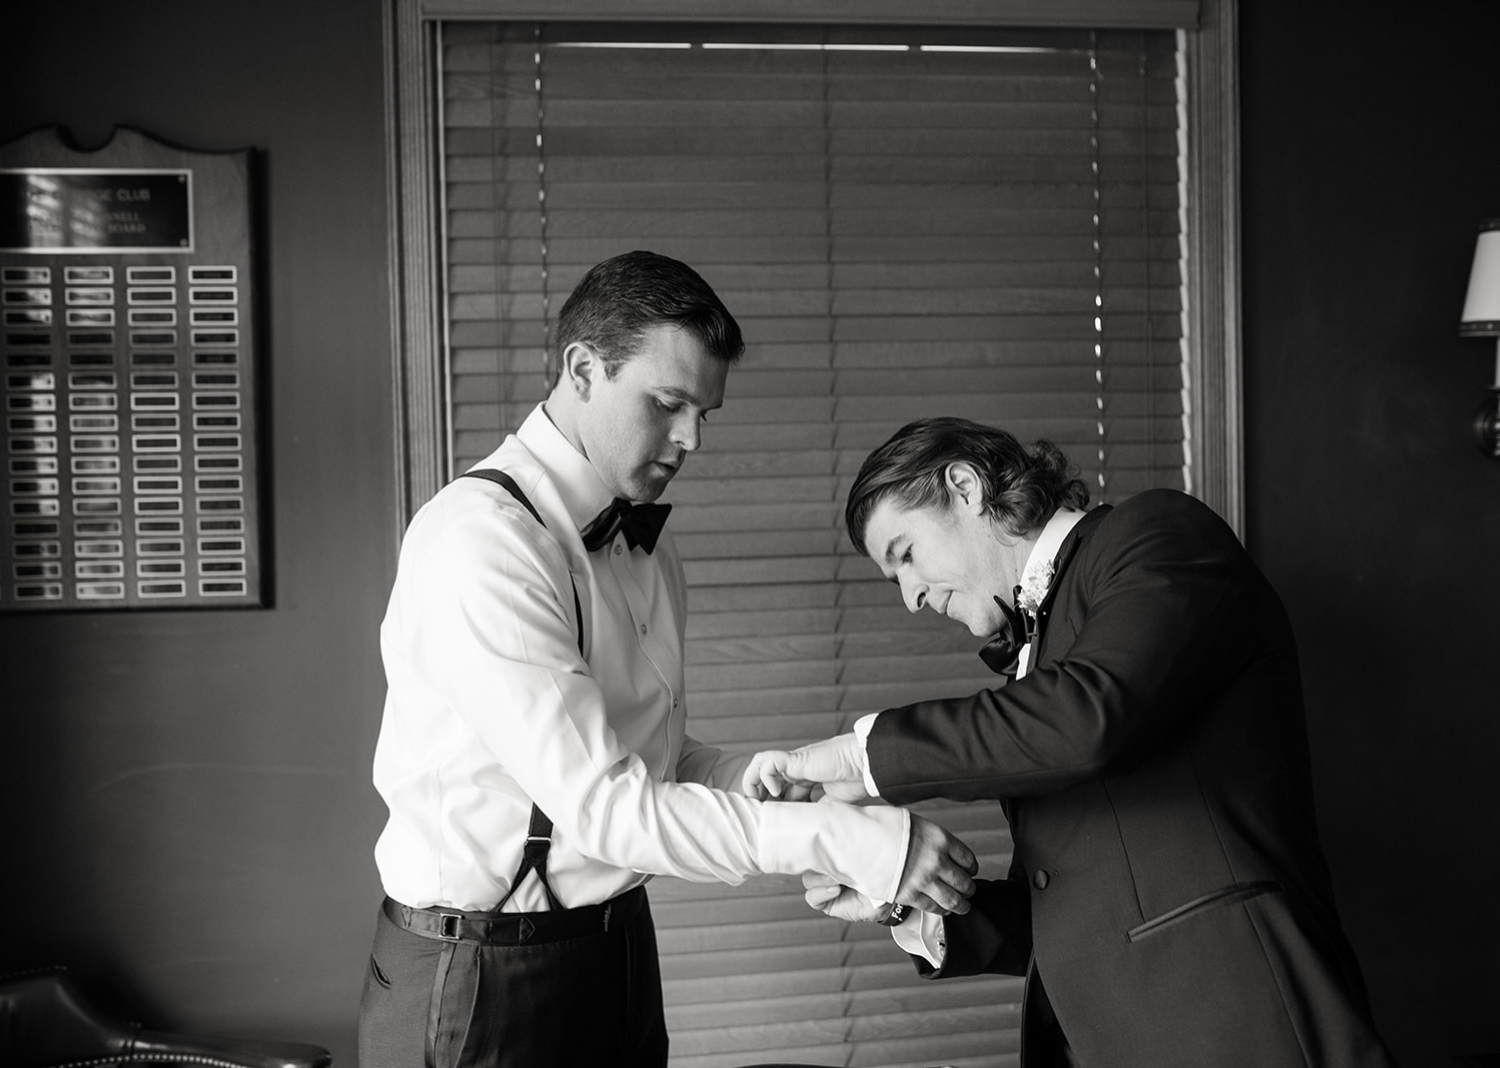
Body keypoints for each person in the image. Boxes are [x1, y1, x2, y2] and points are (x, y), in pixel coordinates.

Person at [358, 253, 977, 1068]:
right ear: (583, 370)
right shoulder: (484, 545)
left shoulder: (646, 541)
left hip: (613, 951)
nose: (690, 439)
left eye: (703, 413)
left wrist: (767, 778)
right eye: (667, 404)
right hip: (480, 975)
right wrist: (851, 843)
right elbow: (609, 810)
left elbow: (652, 763)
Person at [745, 416, 1398, 1068]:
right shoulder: (1035, 655)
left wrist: (860, 757)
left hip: (1242, 1024)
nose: (912, 599)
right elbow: (1073, 909)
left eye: (906, 556)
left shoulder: (1157, 534)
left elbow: (1090, 718)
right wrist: (902, 898)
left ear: (966, 487)